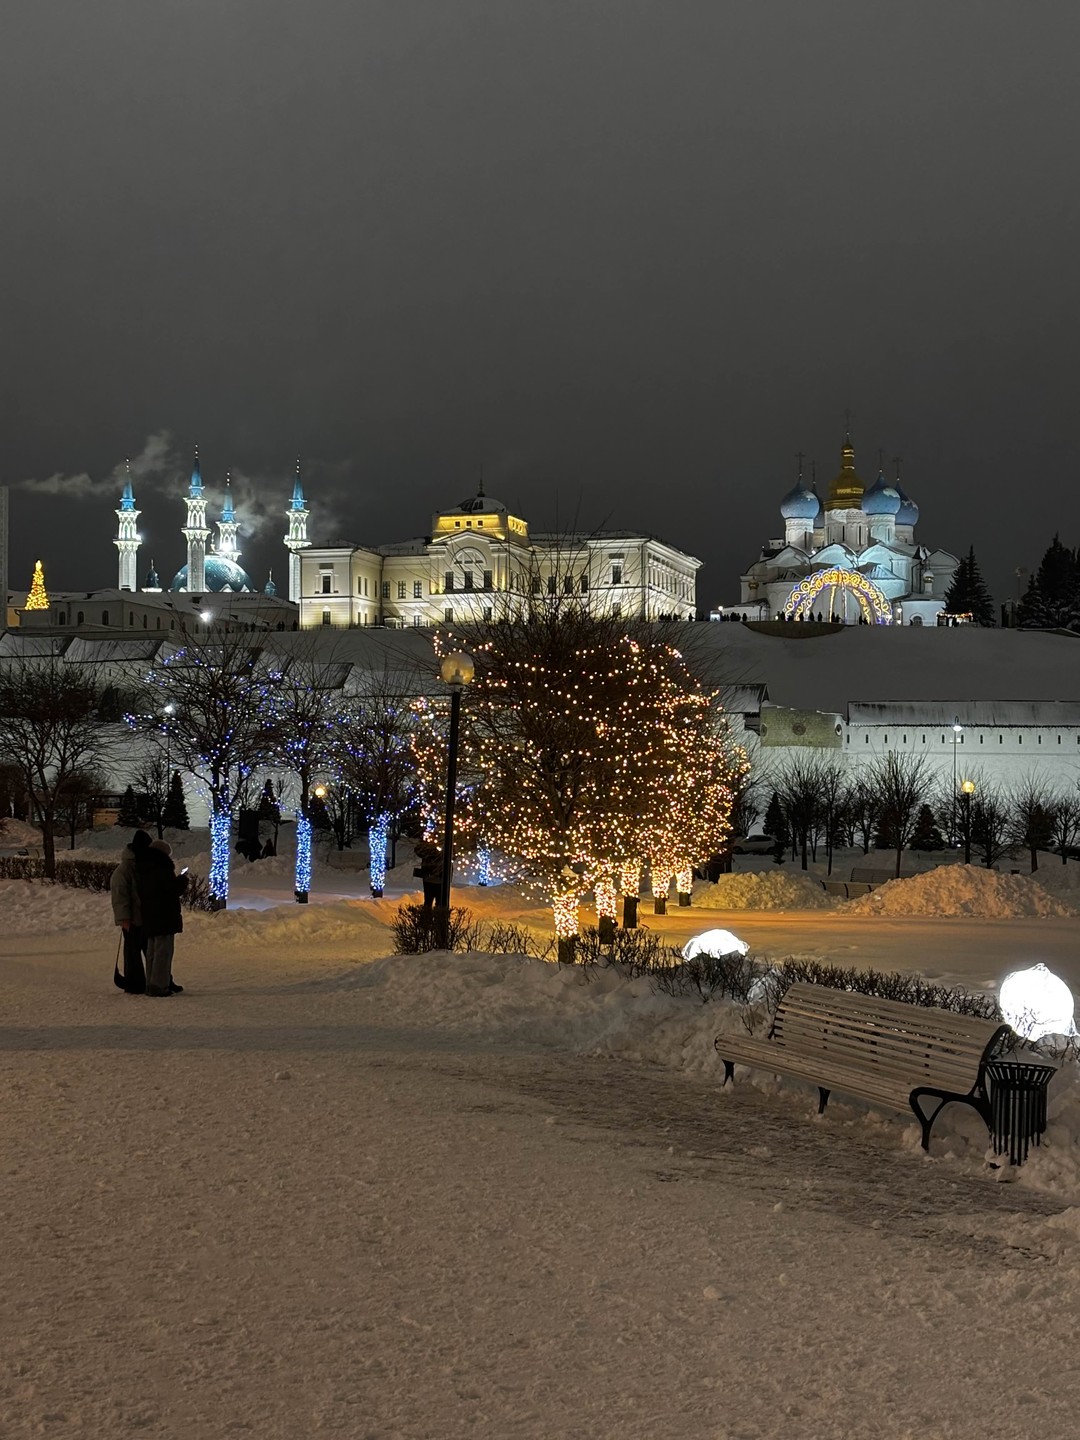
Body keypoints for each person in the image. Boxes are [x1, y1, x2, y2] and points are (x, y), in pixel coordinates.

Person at [135, 838, 189, 997]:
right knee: (163, 952)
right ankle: (159, 986)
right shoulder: (162, 868)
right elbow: (171, 889)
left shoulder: (144, 867)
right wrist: (182, 880)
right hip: (164, 914)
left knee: (152, 950)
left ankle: (151, 983)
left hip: (150, 914)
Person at [110, 829, 151, 993]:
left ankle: (142, 981)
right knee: (133, 954)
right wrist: (124, 919)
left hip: (143, 918)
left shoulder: (138, 866)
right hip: (133, 920)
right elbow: (120, 897)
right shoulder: (125, 870)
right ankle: (135, 982)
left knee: (142, 952)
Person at [414, 839, 444, 910]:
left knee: (428, 902)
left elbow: (418, 850)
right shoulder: (444, 845)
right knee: (439, 903)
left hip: (429, 878)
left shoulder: (428, 847)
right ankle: (438, 919)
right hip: (440, 878)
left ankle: (427, 919)